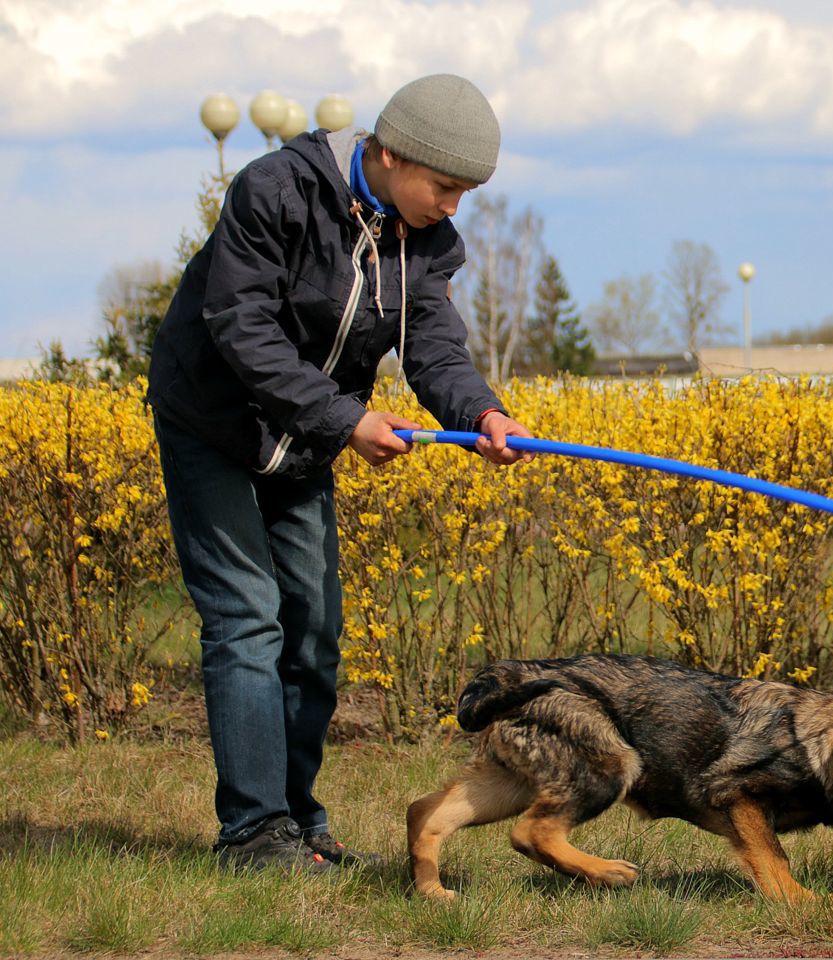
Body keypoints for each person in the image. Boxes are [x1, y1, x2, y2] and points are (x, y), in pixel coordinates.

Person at [147, 74, 532, 872]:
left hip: (307, 439)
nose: (454, 206)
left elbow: (432, 346)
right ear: (390, 154)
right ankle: (252, 835)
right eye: (446, 186)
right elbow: (240, 328)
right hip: (212, 425)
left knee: (313, 634)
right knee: (249, 617)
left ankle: (297, 821)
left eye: (467, 192)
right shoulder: (274, 191)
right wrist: (346, 420)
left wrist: (483, 415)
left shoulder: (425, 239)